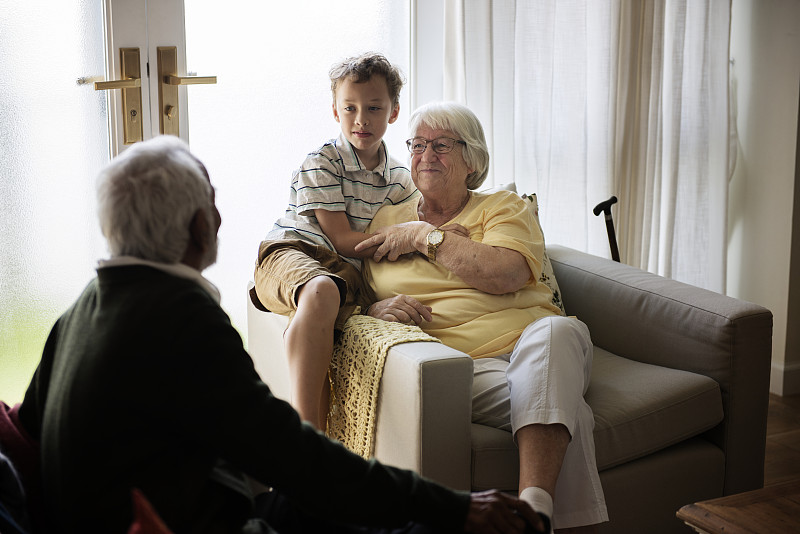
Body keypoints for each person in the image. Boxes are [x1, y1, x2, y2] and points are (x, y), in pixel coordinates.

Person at [17, 136, 546, 534]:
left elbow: (32, 432)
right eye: (212, 200)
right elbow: (291, 456)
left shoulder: (84, 306)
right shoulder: (181, 318)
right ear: (202, 227)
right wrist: (456, 505)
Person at [355, 102, 609, 533]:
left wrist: (423, 236)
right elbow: (360, 292)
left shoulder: (504, 207)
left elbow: (505, 273)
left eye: (441, 145)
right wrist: (374, 310)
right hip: (457, 368)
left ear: (472, 160)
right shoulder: (384, 220)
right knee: (566, 412)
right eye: (417, 144)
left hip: (535, 342)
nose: (425, 155)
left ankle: (533, 514)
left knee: (557, 332)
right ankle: (538, 516)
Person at [252, 52, 418, 431]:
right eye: (350, 108)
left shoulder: (398, 178)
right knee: (323, 290)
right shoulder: (323, 162)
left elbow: (419, 220)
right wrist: (407, 238)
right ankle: (307, 438)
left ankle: (315, 443)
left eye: (374, 108)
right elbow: (342, 240)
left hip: (347, 273)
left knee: (337, 290)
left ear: (393, 112)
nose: (361, 120)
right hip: (293, 251)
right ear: (335, 111)